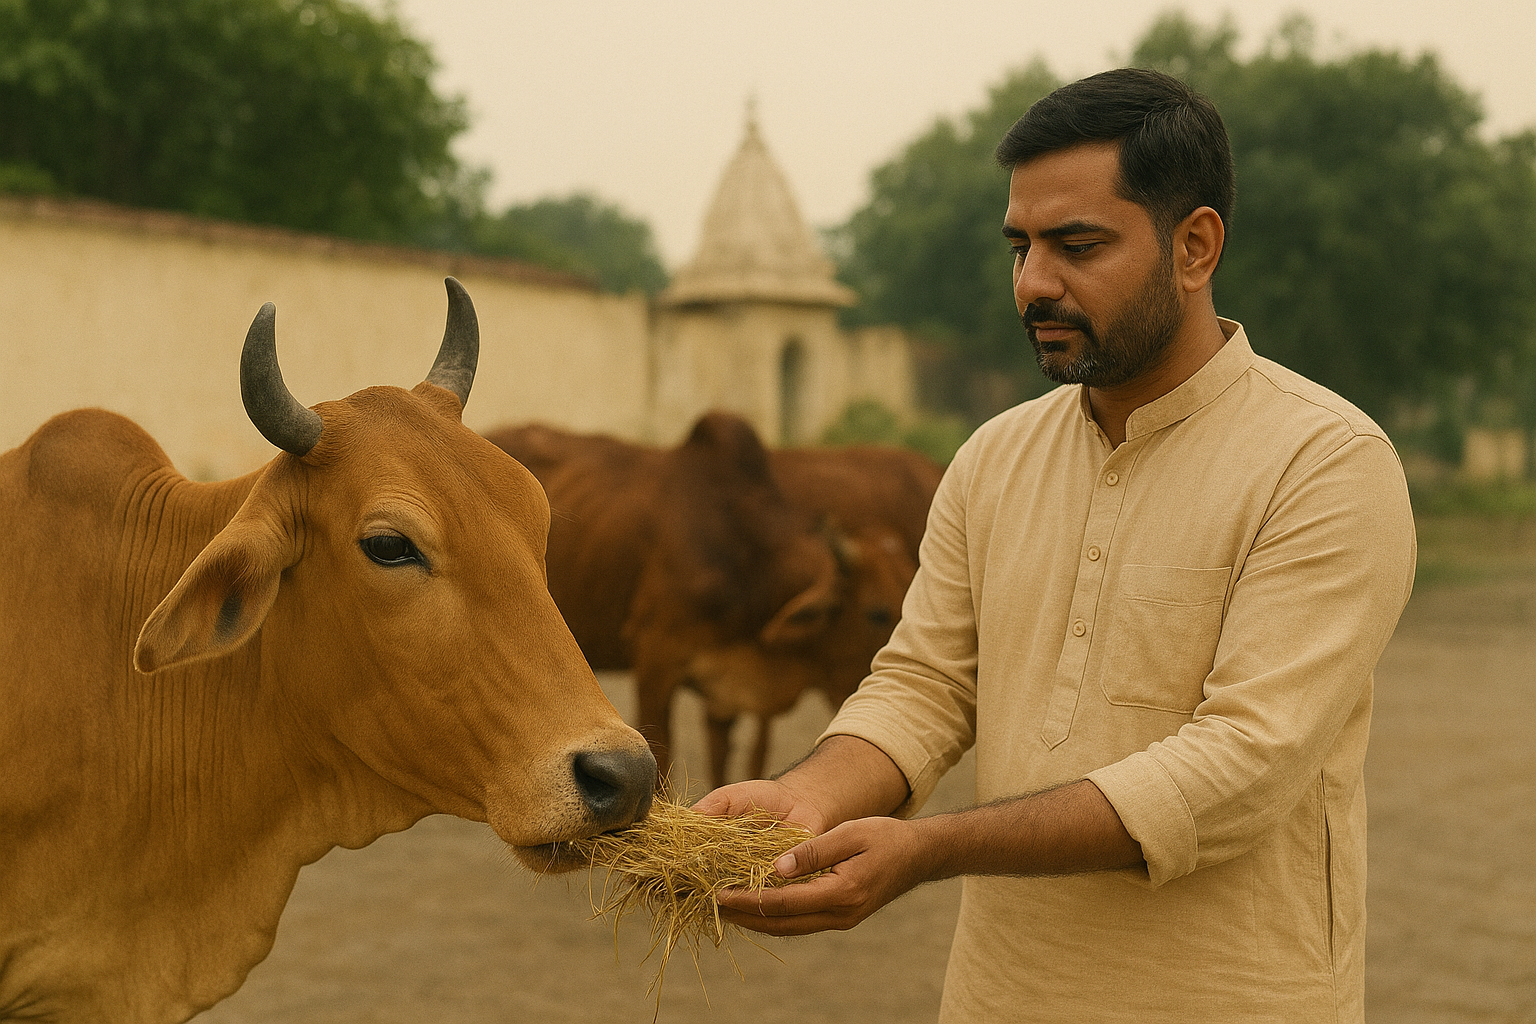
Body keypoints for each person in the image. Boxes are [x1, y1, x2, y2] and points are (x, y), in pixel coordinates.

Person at [696, 67, 1417, 1023]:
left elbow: (1243, 769)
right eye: (1021, 245)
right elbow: (925, 685)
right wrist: (807, 798)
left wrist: (931, 849)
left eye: (1077, 245)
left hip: (1235, 999)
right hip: (1002, 997)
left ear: (1195, 247)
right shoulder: (996, 458)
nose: (1034, 282)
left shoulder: (1324, 464)